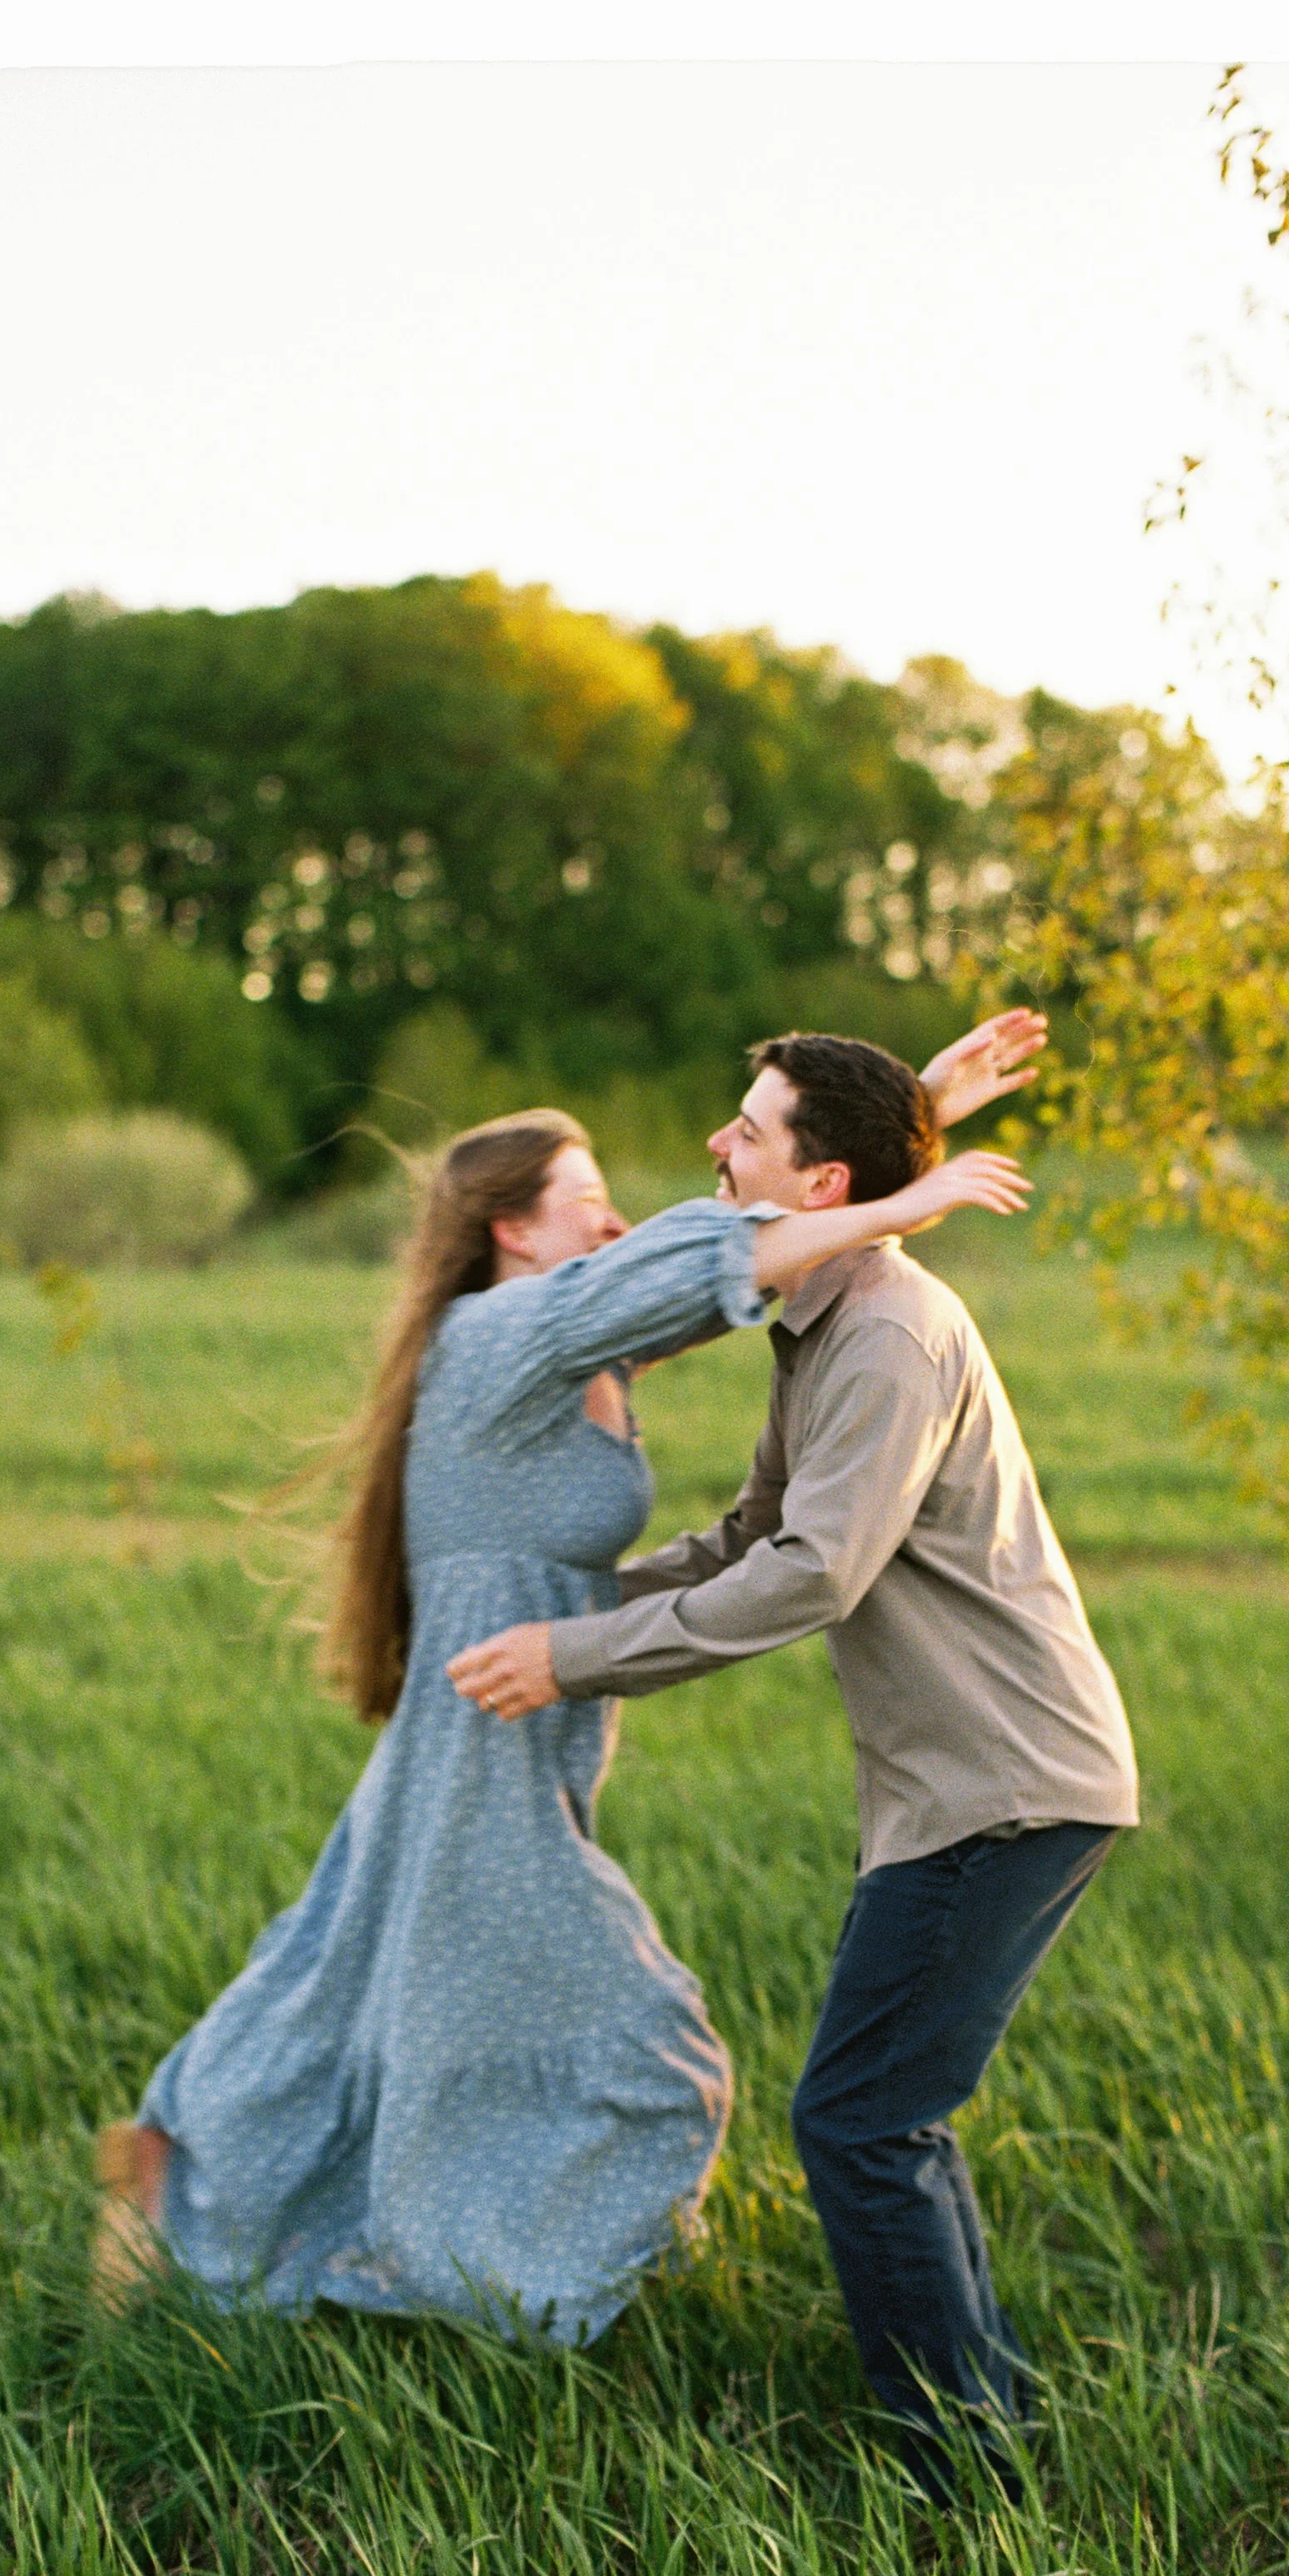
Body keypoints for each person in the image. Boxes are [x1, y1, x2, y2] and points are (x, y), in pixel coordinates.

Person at [94, 1102, 1032, 2340]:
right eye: (585, 1198)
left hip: (509, 1738)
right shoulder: (499, 1333)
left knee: (345, 1972)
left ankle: (182, 2164)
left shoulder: (572, 1345)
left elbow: (746, 1252)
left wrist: (907, 1118)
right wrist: (911, 1201)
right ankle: (507, 2286)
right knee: (650, 2050)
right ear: (512, 1230)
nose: (616, 1215)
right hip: (488, 1749)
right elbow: (713, 1254)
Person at [447, 1026, 1138, 2499]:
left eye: (748, 1134)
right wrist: (577, 1603)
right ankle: (984, 2438)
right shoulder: (819, 1321)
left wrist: (571, 1659)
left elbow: (811, 1575)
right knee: (889, 2116)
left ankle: (961, 2484)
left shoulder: (887, 1330)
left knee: (859, 2119)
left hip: (1007, 1784)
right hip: (974, 1784)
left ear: (819, 1178)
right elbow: (751, 1532)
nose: (719, 1147)